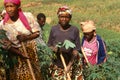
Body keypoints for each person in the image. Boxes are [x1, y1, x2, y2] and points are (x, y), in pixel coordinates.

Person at [0, 0, 43, 80]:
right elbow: (5, 45)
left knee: (34, 75)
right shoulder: (3, 25)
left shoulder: (28, 16)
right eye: (7, 7)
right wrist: (20, 53)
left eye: (12, 6)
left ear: (18, 7)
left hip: (30, 52)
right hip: (15, 55)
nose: (9, 9)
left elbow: (37, 33)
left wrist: (26, 37)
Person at [47, 6, 82, 80]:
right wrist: (55, 49)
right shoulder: (54, 29)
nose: (64, 19)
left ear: (70, 18)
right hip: (57, 63)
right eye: (62, 16)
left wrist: (69, 66)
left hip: (71, 62)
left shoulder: (74, 30)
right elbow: (49, 45)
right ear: (58, 17)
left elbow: (76, 49)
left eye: (67, 17)